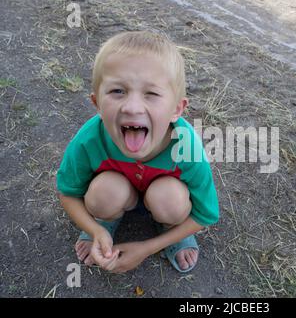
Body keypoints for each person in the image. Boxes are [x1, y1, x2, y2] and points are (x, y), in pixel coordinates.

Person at [56, 31, 219, 273]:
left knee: (171, 201)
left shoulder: (187, 146)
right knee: (104, 193)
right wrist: (95, 229)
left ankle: (170, 231)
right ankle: (106, 221)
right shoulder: (89, 139)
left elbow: (206, 214)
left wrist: (147, 247)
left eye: (151, 94)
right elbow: (67, 193)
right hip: (118, 194)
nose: (132, 107)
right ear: (97, 104)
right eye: (117, 91)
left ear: (176, 109)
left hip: (165, 198)